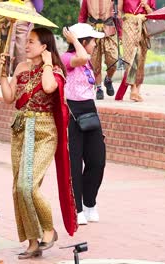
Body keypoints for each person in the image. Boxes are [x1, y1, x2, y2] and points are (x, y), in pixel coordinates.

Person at [0, 27, 77, 259]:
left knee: (28, 186)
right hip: (21, 130)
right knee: (17, 188)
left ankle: (49, 229)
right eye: (27, 42)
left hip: (43, 132)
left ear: (44, 47)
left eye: (32, 42)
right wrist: (3, 72)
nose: (27, 45)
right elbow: (8, 97)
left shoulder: (53, 70)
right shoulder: (21, 68)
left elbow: (49, 87)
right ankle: (32, 242)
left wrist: (47, 63)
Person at [61, 23, 106, 225]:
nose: (95, 44)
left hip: (89, 111)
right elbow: (82, 57)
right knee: (74, 163)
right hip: (72, 113)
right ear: (82, 41)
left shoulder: (88, 62)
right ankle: (77, 208)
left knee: (97, 160)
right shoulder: (67, 58)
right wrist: (74, 41)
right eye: (92, 40)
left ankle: (90, 203)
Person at [78, 0, 123, 100]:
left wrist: (120, 33)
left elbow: (118, 16)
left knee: (113, 59)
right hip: (92, 31)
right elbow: (82, 16)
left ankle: (108, 79)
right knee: (94, 62)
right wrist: (80, 34)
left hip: (109, 31)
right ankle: (99, 88)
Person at [115, 0, 155, 102]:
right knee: (131, 56)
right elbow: (119, 12)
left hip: (143, 25)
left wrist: (146, 5)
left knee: (142, 57)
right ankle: (133, 88)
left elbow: (153, 14)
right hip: (128, 25)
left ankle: (138, 89)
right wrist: (119, 31)